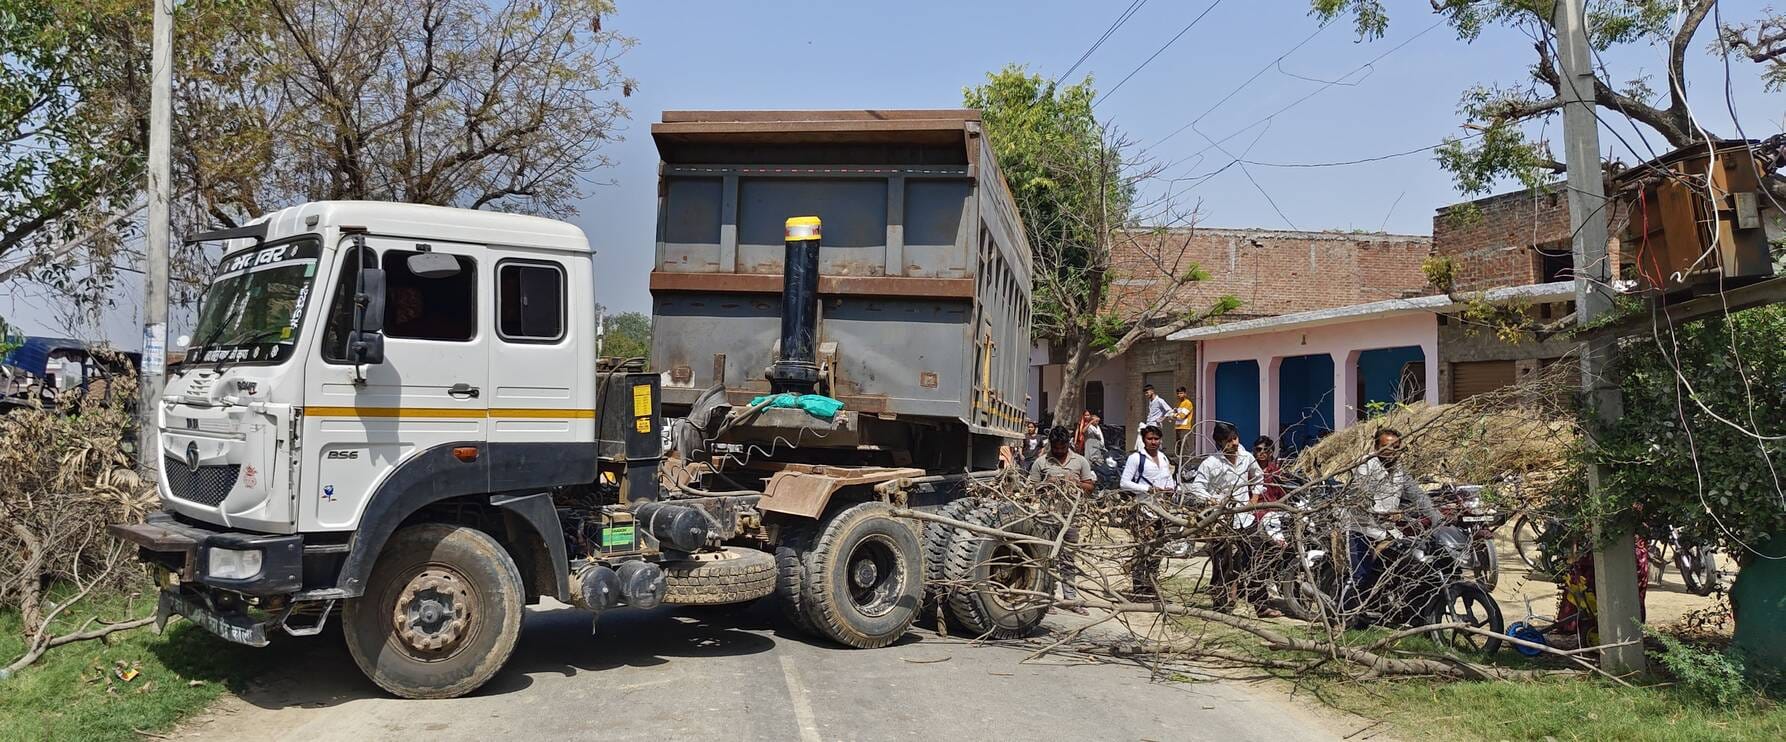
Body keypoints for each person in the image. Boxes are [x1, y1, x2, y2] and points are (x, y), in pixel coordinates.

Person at [1342, 428, 1441, 621]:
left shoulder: (1399, 469)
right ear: (1376, 447)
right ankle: (1342, 617)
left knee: (1408, 563)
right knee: (1359, 575)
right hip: (1361, 527)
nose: (1391, 451)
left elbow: (1417, 495)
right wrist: (1385, 514)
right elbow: (1361, 497)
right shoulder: (1365, 466)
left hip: (1386, 529)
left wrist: (1437, 517)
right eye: (1386, 447)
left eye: (1395, 447)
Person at [1186, 422, 1274, 615]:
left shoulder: (1246, 458)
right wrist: (1213, 500)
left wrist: (1254, 498)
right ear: (1219, 443)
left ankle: (1261, 604)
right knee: (1223, 562)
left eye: (1235, 438)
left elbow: (1258, 477)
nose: (1234, 443)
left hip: (1246, 518)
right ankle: (1220, 602)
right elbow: (1197, 487)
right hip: (1223, 521)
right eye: (1228, 440)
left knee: (1256, 559)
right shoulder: (1211, 464)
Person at [1029, 426, 1095, 614]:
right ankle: (1044, 598)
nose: (1059, 450)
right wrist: (1046, 484)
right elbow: (1031, 488)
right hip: (1047, 517)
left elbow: (1090, 486)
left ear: (1068, 444)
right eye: (1056, 447)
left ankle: (1070, 599)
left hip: (1071, 518)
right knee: (1045, 558)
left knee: (1068, 559)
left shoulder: (1080, 461)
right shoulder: (1041, 462)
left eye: (1062, 447)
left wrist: (1076, 483)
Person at [1119, 425, 1175, 599]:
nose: (1153, 442)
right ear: (1144, 440)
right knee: (1142, 549)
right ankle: (1139, 587)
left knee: (1157, 550)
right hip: (1143, 510)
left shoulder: (1164, 458)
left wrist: (1171, 490)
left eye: (1156, 439)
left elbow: (1169, 479)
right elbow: (1124, 483)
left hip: (1162, 511)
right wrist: (1148, 489)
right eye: (1150, 438)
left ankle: (1151, 584)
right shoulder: (1136, 458)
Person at [1137, 385, 1174, 450]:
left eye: (1147, 392)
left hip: (1155, 425)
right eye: (1145, 393)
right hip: (1149, 424)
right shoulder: (1150, 401)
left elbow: (1170, 410)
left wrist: (1163, 417)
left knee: (1155, 441)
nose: (1146, 395)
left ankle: (1159, 454)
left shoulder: (1159, 400)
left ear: (1152, 391)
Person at [1253, 435, 1286, 504]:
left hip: (1272, 507)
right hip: (1253, 507)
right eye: (1259, 449)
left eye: (1265, 449)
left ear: (1270, 453)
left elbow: (1282, 494)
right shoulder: (1250, 470)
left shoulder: (1276, 471)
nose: (1262, 452)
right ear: (1255, 451)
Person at [1173, 386, 1195, 453]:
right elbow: (1177, 414)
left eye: (1181, 393)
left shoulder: (1187, 403)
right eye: (1178, 393)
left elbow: (1181, 416)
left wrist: (1174, 415)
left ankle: (1186, 463)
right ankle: (1180, 462)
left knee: (1184, 446)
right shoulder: (1179, 403)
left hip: (1185, 428)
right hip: (1178, 427)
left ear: (1185, 394)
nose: (1179, 395)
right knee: (1179, 446)